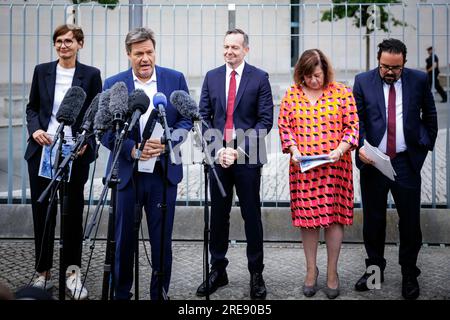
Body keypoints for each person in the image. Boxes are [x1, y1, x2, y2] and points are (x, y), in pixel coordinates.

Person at [101, 27, 192, 300]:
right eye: (138, 53)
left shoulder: (174, 79)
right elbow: (104, 128)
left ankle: (158, 295)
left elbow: (186, 119)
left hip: (162, 175)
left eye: (149, 52)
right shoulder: (113, 85)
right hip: (127, 175)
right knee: (123, 242)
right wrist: (130, 149)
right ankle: (121, 294)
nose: (145, 58)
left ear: (155, 52)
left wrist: (168, 143)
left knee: (162, 242)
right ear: (128, 55)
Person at [353, 38, 438, 300]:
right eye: (385, 66)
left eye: (396, 67)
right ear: (378, 60)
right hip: (374, 162)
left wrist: (421, 148)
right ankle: (375, 273)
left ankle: (409, 274)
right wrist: (361, 148)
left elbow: (430, 116)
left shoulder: (419, 80)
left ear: (404, 63)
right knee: (374, 221)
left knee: (410, 221)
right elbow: (357, 120)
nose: (390, 72)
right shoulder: (363, 81)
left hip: (405, 161)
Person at [24, 24, 102, 300]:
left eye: (69, 41)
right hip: (43, 152)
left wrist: (86, 144)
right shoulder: (41, 71)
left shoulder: (91, 75)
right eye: (58, 41)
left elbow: (96, 115)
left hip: (74, 155)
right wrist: (35, 130)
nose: (63, 45)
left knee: (71, 217)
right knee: (42, 214)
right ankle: (42, 274)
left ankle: (72, 275)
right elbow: (32, 107)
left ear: (80, 44)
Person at [197, 28, 273, 300]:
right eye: (226, 47)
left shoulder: (260, 78)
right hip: (219, 160)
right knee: (218, 216)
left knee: (251, 216)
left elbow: (265, 121)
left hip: (247, 159)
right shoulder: (212, 77)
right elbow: (203, 117)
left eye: (235, 48)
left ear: (246, 50)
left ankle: (256, 273)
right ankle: (218, 269)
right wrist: (218, 150)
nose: (229, 52)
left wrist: (238, 151)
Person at [278, 49, 359, 299]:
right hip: (304, 171)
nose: (313, 81)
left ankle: (332, 273)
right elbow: (284, 127)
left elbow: (353, 126)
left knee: (334, 220)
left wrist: (341, 149)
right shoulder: (292, 95)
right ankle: (311, 271)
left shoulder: (342, 93)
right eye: (307, 76)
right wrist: (293, 149)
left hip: (335, 169)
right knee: (308, 221)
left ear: (325, 71)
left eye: (317, 75)